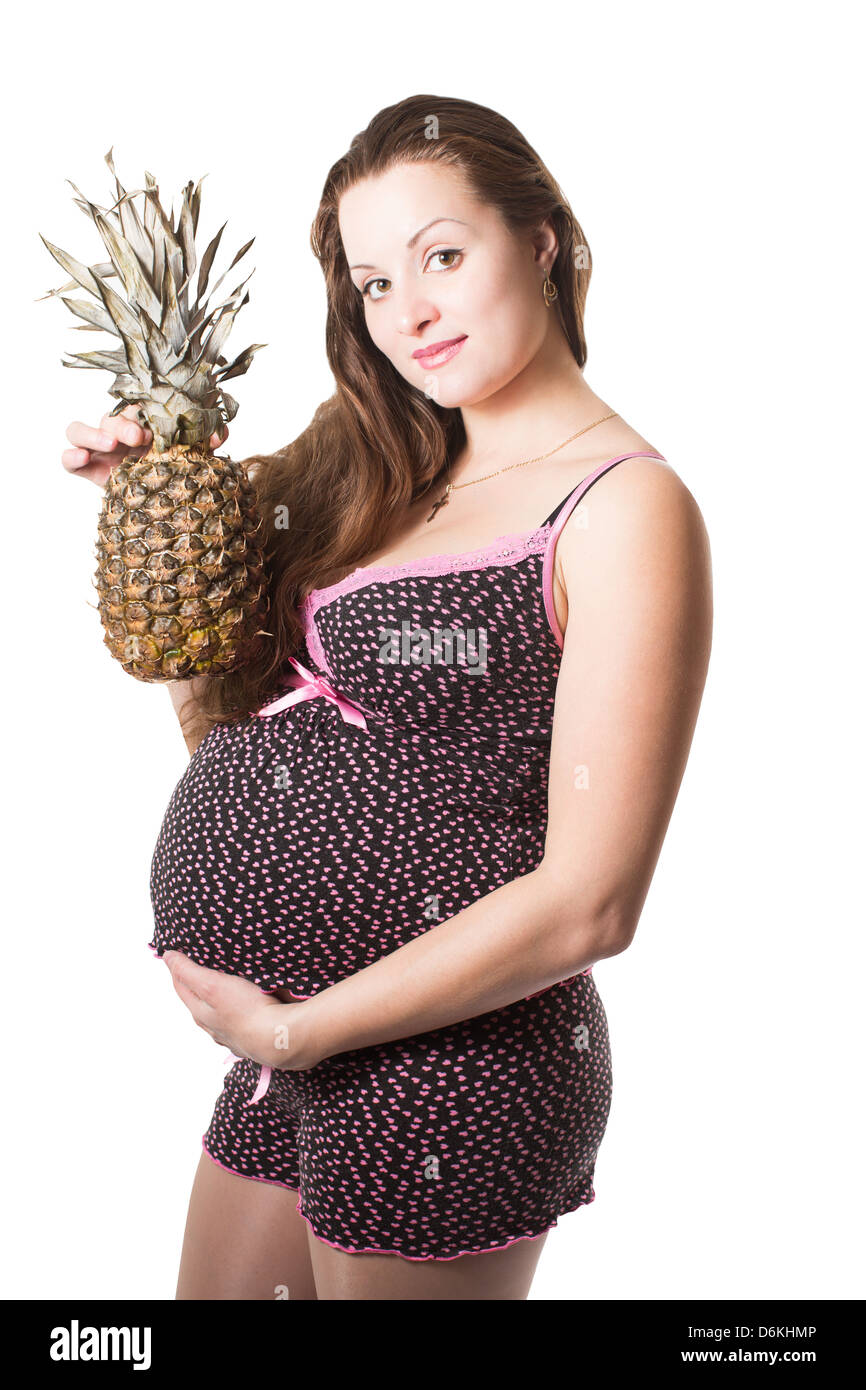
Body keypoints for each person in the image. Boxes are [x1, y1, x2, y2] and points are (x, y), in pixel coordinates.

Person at [62, 94, 712, 1301]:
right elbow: (236, 729)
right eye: (369, 283)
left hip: (453, 1069)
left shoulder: (624, 507)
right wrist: (159, 527)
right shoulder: (375, 462)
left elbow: (592, 903)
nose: (406, 312)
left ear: (543, 240)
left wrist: (298, 1030)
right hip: (288, 1042)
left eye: (443, 257)